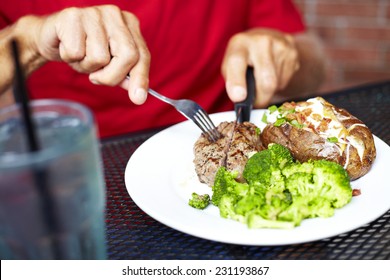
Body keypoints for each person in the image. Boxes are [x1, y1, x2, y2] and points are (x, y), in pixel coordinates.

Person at [0, 1, 325, 138]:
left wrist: (283, 52)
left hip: (215, 137)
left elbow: (316, 68)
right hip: (70, 171)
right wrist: (29, 40)